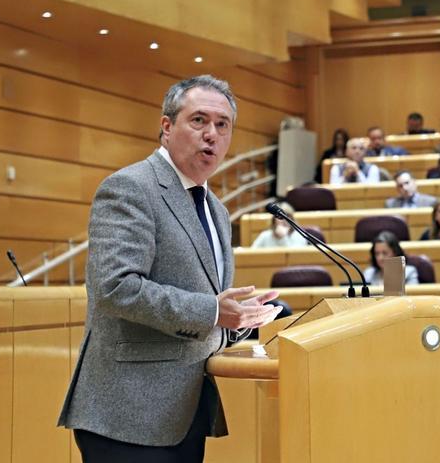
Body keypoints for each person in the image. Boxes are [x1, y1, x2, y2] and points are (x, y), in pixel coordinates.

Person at [59, 75, 283, 461]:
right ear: (167, 127)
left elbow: (202, 305)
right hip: (128, 414)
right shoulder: (130, 187)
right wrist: (214, 310)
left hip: (184, 411)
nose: (211, 134)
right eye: (199, 120)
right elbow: (117, 287)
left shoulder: (217, 209)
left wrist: (239, 318)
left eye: (222, 125)